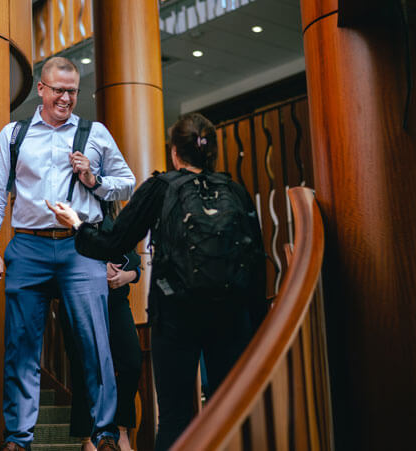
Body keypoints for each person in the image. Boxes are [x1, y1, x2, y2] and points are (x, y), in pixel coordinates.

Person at [47, 113, 265, 450]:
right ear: (212, 152)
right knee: (230, 410)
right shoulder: (235, 190)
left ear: (175, 152)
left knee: (176, 416)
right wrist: (256, 326)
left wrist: (77, 224)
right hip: (232, 317)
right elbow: (256, 263)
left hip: (177, 315)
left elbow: (112, 243)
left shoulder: (161, 187)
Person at [0, 56, 135, 451]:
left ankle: (104, 435)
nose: (66, 98)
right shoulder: (13, 136)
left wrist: (93, 179)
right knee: (21, 345)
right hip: (27, 245)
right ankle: (18, 438)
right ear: (41, 90)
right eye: (59, 90)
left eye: (73, 91)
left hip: (79, 246)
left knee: (95, 342)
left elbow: (127, 184)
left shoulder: (94, 133)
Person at [60, 202, 143, 451]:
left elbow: (136, 263)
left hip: (116, 299)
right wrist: (96, 268)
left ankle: (121, 429)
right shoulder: (68, 211)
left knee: (131, 361)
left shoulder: (117, 216)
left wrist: (127, 276)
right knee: (84, 365)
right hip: (78, 296)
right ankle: (88, 438)